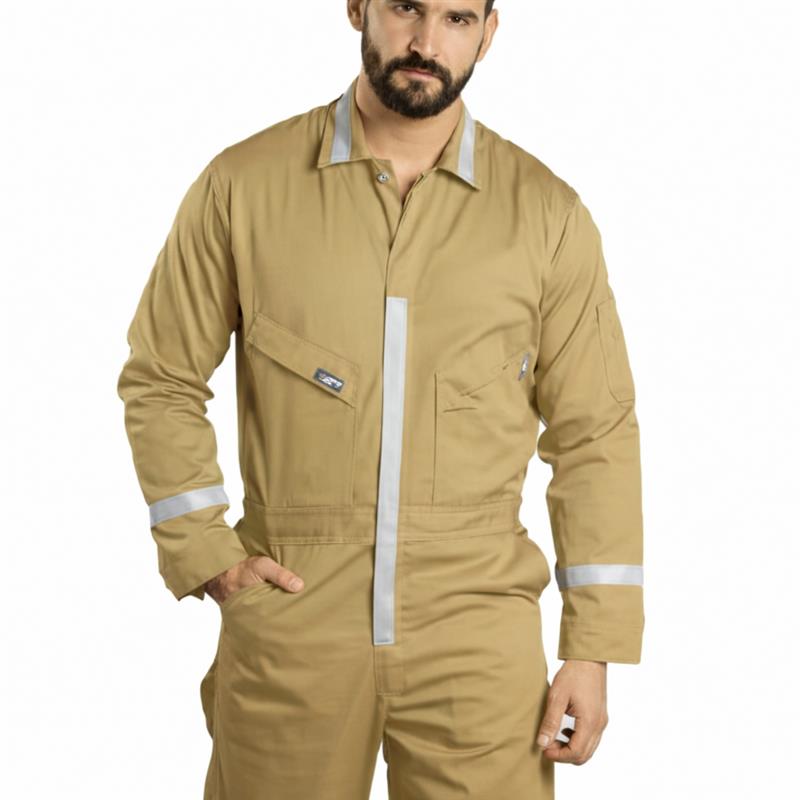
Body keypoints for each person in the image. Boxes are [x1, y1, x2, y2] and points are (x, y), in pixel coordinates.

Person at [116, 1, 644, 797]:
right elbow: (161, 377)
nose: (427, 42)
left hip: (478, 627)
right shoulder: (244, 186)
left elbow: (596, 433)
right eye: (406, 8)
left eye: (458, 18)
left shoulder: (546, 215)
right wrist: (205, 554)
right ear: (359, 9)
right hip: (293, 613)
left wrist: (592, 646)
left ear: (488, 33)